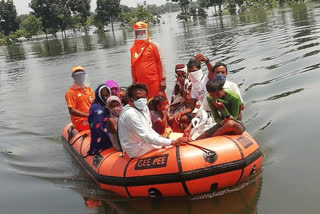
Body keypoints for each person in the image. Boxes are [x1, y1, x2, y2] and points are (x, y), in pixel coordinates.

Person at [118, 84, 188, 158]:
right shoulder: (130, 113)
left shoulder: (144, 108)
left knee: (170, 141)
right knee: (169, 147)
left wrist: (162, 138)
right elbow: (147, 136)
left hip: (144, 142)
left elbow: (149, 129)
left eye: (143, 97)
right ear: (130, 100)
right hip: (135, 148)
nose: (141, 100)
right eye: (138, 98)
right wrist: (172, 142)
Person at [130, 21, 167, 100]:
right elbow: (133, 66)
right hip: (141, 83)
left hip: (154, 81)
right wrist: (134, 83)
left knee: (159, 102)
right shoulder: (133, 49)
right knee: (144, 104)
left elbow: (161, 62)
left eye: (142, 32)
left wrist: (163, 79)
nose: (140, 34)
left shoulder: (154, 45)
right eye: (138, 32)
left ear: (146, 31)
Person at [65, 66, 94, 131]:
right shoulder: (70, 92)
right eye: (77, 76)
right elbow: (71, 110)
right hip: (80, 121)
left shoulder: (89, 90)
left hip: (91, 117)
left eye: (81, 76)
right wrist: (88, 115)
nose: (80, 78)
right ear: (74, 78)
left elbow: (95, 104)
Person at [87, 84, 113, 155]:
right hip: (101, 138)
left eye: (107, 95)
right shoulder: (96, 108)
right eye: (103, 96)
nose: (106, 98)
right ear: (98, 95)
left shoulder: (109, 105)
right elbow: (98, 126)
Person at [169, 64, 193, 131]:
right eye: (178, 74)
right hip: (177, 106)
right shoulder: (177, 83)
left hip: (188, 106)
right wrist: (171, 110)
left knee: (178, 118)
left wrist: (182, 85)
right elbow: (173, 98)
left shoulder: (190, 82)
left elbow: (188, 100)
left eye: (182, 74)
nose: (181, 76)